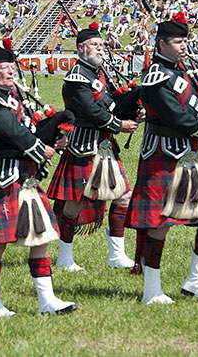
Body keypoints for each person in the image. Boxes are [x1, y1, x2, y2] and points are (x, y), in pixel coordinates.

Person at [0, 45, 76, 317]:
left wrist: (55, 134)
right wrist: (41, 149)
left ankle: (47, 299)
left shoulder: (11, 97)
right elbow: (14, 133)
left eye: (11, 68)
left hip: (24, 176)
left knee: (40, 235)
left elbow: (30, 129)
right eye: (4, 69)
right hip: (0, 177)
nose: (10, 72)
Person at [126, 12, 198, 304]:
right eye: (178, 41)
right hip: (162, 152)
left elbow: (194, 105)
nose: (183, 46)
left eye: (185, 41)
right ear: (161, 44)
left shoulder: (180, 72)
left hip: (188, 154)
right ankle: (152, 289)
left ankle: (195, 280)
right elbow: (173, 115)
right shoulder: (155, 76)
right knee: (158, 222)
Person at [47, 22, 143, 272]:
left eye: (102, 45)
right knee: (74, 203)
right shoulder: (77, 78)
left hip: (104, 145)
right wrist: (118, 125)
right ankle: (64, 257)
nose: (101, 49)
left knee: (123, 195)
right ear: (81, 48)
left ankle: (117, 255)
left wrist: (133, 110)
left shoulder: (100, 74)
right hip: (83, 144)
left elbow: (112, 105)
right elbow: (90, 111)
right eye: (95, 45)